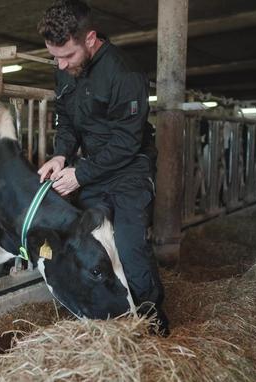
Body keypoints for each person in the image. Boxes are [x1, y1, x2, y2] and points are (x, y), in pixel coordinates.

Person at [37, 0, 168, 333]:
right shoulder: (64, 69)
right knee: (83, 240)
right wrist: (60, 155)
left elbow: (126, 142)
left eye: (67, 55)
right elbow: (66, 120)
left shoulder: (125, 73)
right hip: (91, 166)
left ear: (90, 39)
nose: (61, 63)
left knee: (129, 245)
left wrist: (80, 174)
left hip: (129, 170)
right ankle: (99, 315)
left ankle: (152, 319)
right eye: (54, 56)